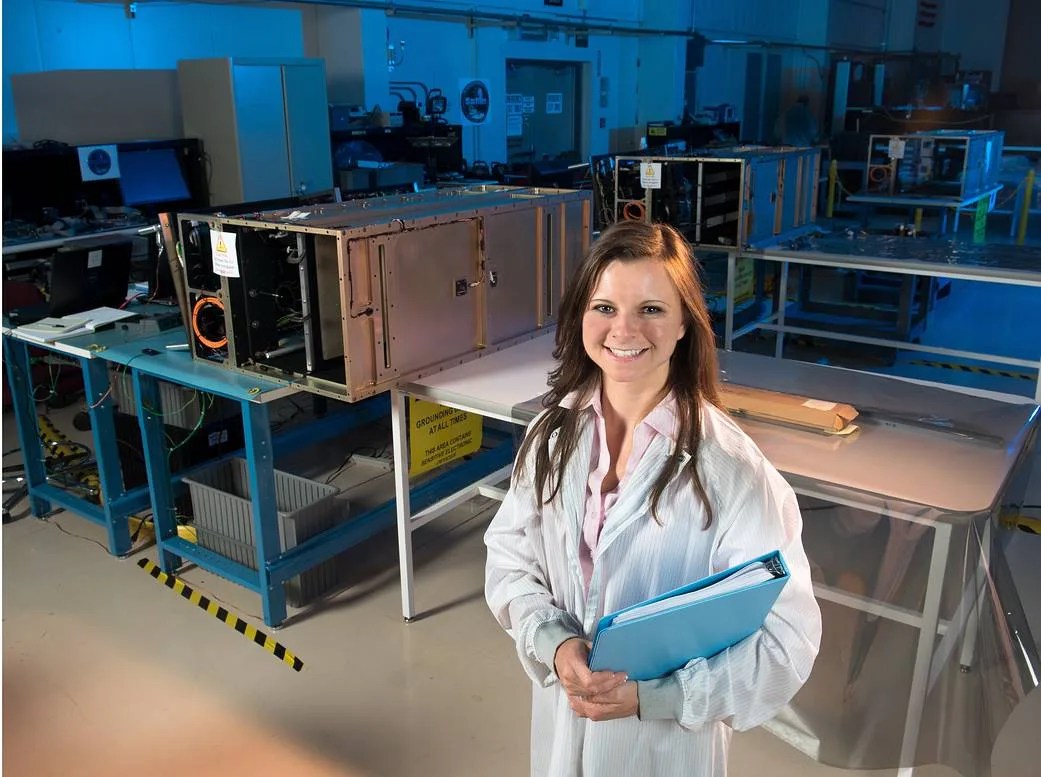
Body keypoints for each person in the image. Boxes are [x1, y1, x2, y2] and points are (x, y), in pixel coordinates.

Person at [484, 221, 822, 776]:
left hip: (665, 750)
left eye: (652, 309)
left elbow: (787, 643)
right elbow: (510, 555)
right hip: (562, 722)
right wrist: (554, 643)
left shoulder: (732, 471)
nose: (624, 329)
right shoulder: (553, 433)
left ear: (686, 321)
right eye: (605, 307)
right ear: (581, 316)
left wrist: (655, 697)